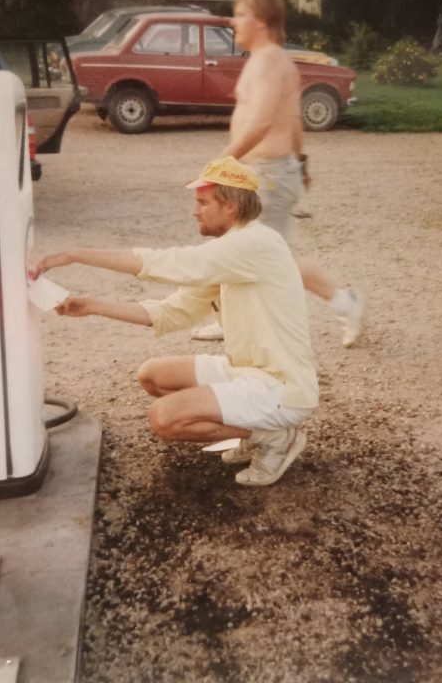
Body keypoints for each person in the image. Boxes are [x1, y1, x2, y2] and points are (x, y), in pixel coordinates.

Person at [29, 157, 318, 487]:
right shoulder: (231, 252)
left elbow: (171, 262)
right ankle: (259, 429)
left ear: (231, 208)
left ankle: (274, 436)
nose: (194, 211)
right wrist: (93, 305)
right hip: (250, 370)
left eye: (202, 202)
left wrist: (75, 255)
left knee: (163, 418)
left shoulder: (254, 244)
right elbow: (169, 313)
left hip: (281, 386)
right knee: (153, 376)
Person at [192, 0, 365, 347]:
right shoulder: (270, 60)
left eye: (240, 15)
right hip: (269, 170)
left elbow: (264, 121)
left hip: (267, 173)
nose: (232, 21)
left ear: (262, 21)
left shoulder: (270, 60)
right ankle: (232, 317)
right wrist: (300, 162)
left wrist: (221, 162)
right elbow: (293, 120)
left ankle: (346, 304)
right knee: (241, 246)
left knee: (271, 256)